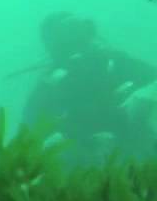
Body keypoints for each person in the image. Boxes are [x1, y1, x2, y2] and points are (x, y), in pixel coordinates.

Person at [21, 12, 157, 166]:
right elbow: (32, 119)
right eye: (69, 31)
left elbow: (153, 79)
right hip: (84, 160)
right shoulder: (52, 82)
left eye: (77, 29)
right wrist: (81, 140)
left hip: (135, 147)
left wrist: (140, 100)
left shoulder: (113, 61)